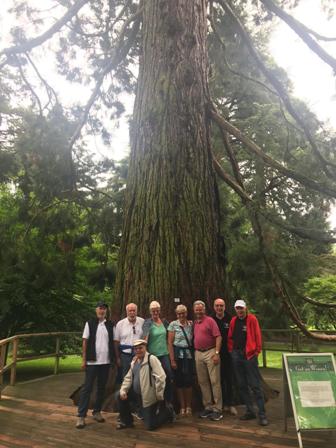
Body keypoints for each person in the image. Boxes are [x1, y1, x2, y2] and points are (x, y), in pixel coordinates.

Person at [228, 299, 268, 426]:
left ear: (245, 308)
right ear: (235, 309)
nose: (239, 310)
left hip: (249, 356)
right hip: (237, 355)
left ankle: (262, 414)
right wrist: (231, 350)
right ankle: (250, 411)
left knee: (255, 385)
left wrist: (256, 351)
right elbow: (230, 337)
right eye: (237, 308)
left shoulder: (252, 319)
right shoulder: (234, 320)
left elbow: (257, 335)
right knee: (241, 385)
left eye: (241, 308)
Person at [117, 339, 174, 430]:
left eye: (140, 348)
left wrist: (159, 395)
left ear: (145, 348)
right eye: (136, 349)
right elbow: (128, 378)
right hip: (137, 394)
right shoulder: (134, 361)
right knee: (119, 395)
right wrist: (123, 390)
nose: (138, 350)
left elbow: (161, 377)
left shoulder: (151, 359)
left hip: (149, 396)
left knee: (150, 426)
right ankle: (127, 422)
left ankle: (167, 412)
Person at [76, 301, 114, 429]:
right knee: (87, 388)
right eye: (100, 308)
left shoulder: (110, 325)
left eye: (104, 309)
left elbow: (113, 343)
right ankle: (81, 416)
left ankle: (97, 411)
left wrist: (114, 359)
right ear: (96, 310)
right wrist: (84, 359)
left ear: (106, 311)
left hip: (105, 362)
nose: (102, 311)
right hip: (92, 362)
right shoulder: (90, 323)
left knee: (101, 388)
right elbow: (85, 342)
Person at [193, 299, 223, 421]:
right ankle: (208, 406)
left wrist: (216, 353)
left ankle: (218, 409)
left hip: (211, 352)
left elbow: (218, 337)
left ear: (204, 309)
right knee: (203, 381)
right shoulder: (195, 323)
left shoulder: (210, 321)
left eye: (201, 309)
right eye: (197, 310)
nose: (199, 311)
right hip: (198, 353)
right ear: (194, 311)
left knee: (215, 381)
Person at [142, 301, 173, 404]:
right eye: (153, 311)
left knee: (168, 375)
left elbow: (172, 331)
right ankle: (154, 402)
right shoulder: (147, 323)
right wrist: (144, 354)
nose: (155, 312)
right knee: (154, 378)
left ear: (159, 311)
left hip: (164, 354)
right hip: (153, 355)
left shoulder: (164, 322)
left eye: (157, 310)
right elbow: (145, 337)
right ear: (150, 312)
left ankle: (167, 401)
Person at [212, 297, 237, 416]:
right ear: (214, 307)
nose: (219, 308)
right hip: (216, 354)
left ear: (224, 307)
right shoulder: (211, 319)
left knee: (229, 379)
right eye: (217, 306)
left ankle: (231, 404)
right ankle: (221, 404)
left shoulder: (231, 319)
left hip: (229, 354)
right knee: (219, 380)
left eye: (221, 306)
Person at [167, 304, 193, 416]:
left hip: (189, 356)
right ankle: (182, 406)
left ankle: (189, 406)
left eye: (183, 313)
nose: (181, 315)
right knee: (179, 382)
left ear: (186, 313)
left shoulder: (191, 324)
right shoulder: (173, 325)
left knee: (189, 381)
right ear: (176, 314)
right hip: (178, 356)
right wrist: (172, 360)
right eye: (179, 313)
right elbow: (170, 343)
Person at [114, 303, 144, 380]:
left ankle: (137, 391)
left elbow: (145, 338)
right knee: (126, 376)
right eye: (130, 311)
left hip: (139, 354)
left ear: (137, 311)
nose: (132, 312)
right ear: (126, 312)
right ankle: (125, 392)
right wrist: (117, 358)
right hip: (125, 355)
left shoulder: (142, 322)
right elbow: (116, 342)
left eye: (134, 310)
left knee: (139, 375)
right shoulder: (120, 324)